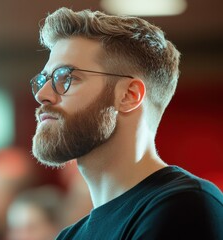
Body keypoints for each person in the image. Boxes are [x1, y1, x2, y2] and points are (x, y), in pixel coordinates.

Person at [29, 7, 223, 239]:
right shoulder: (69, 236)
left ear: (129, 95)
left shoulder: (183, 205)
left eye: (66, 78)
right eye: (44, 80)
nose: (42, 94)